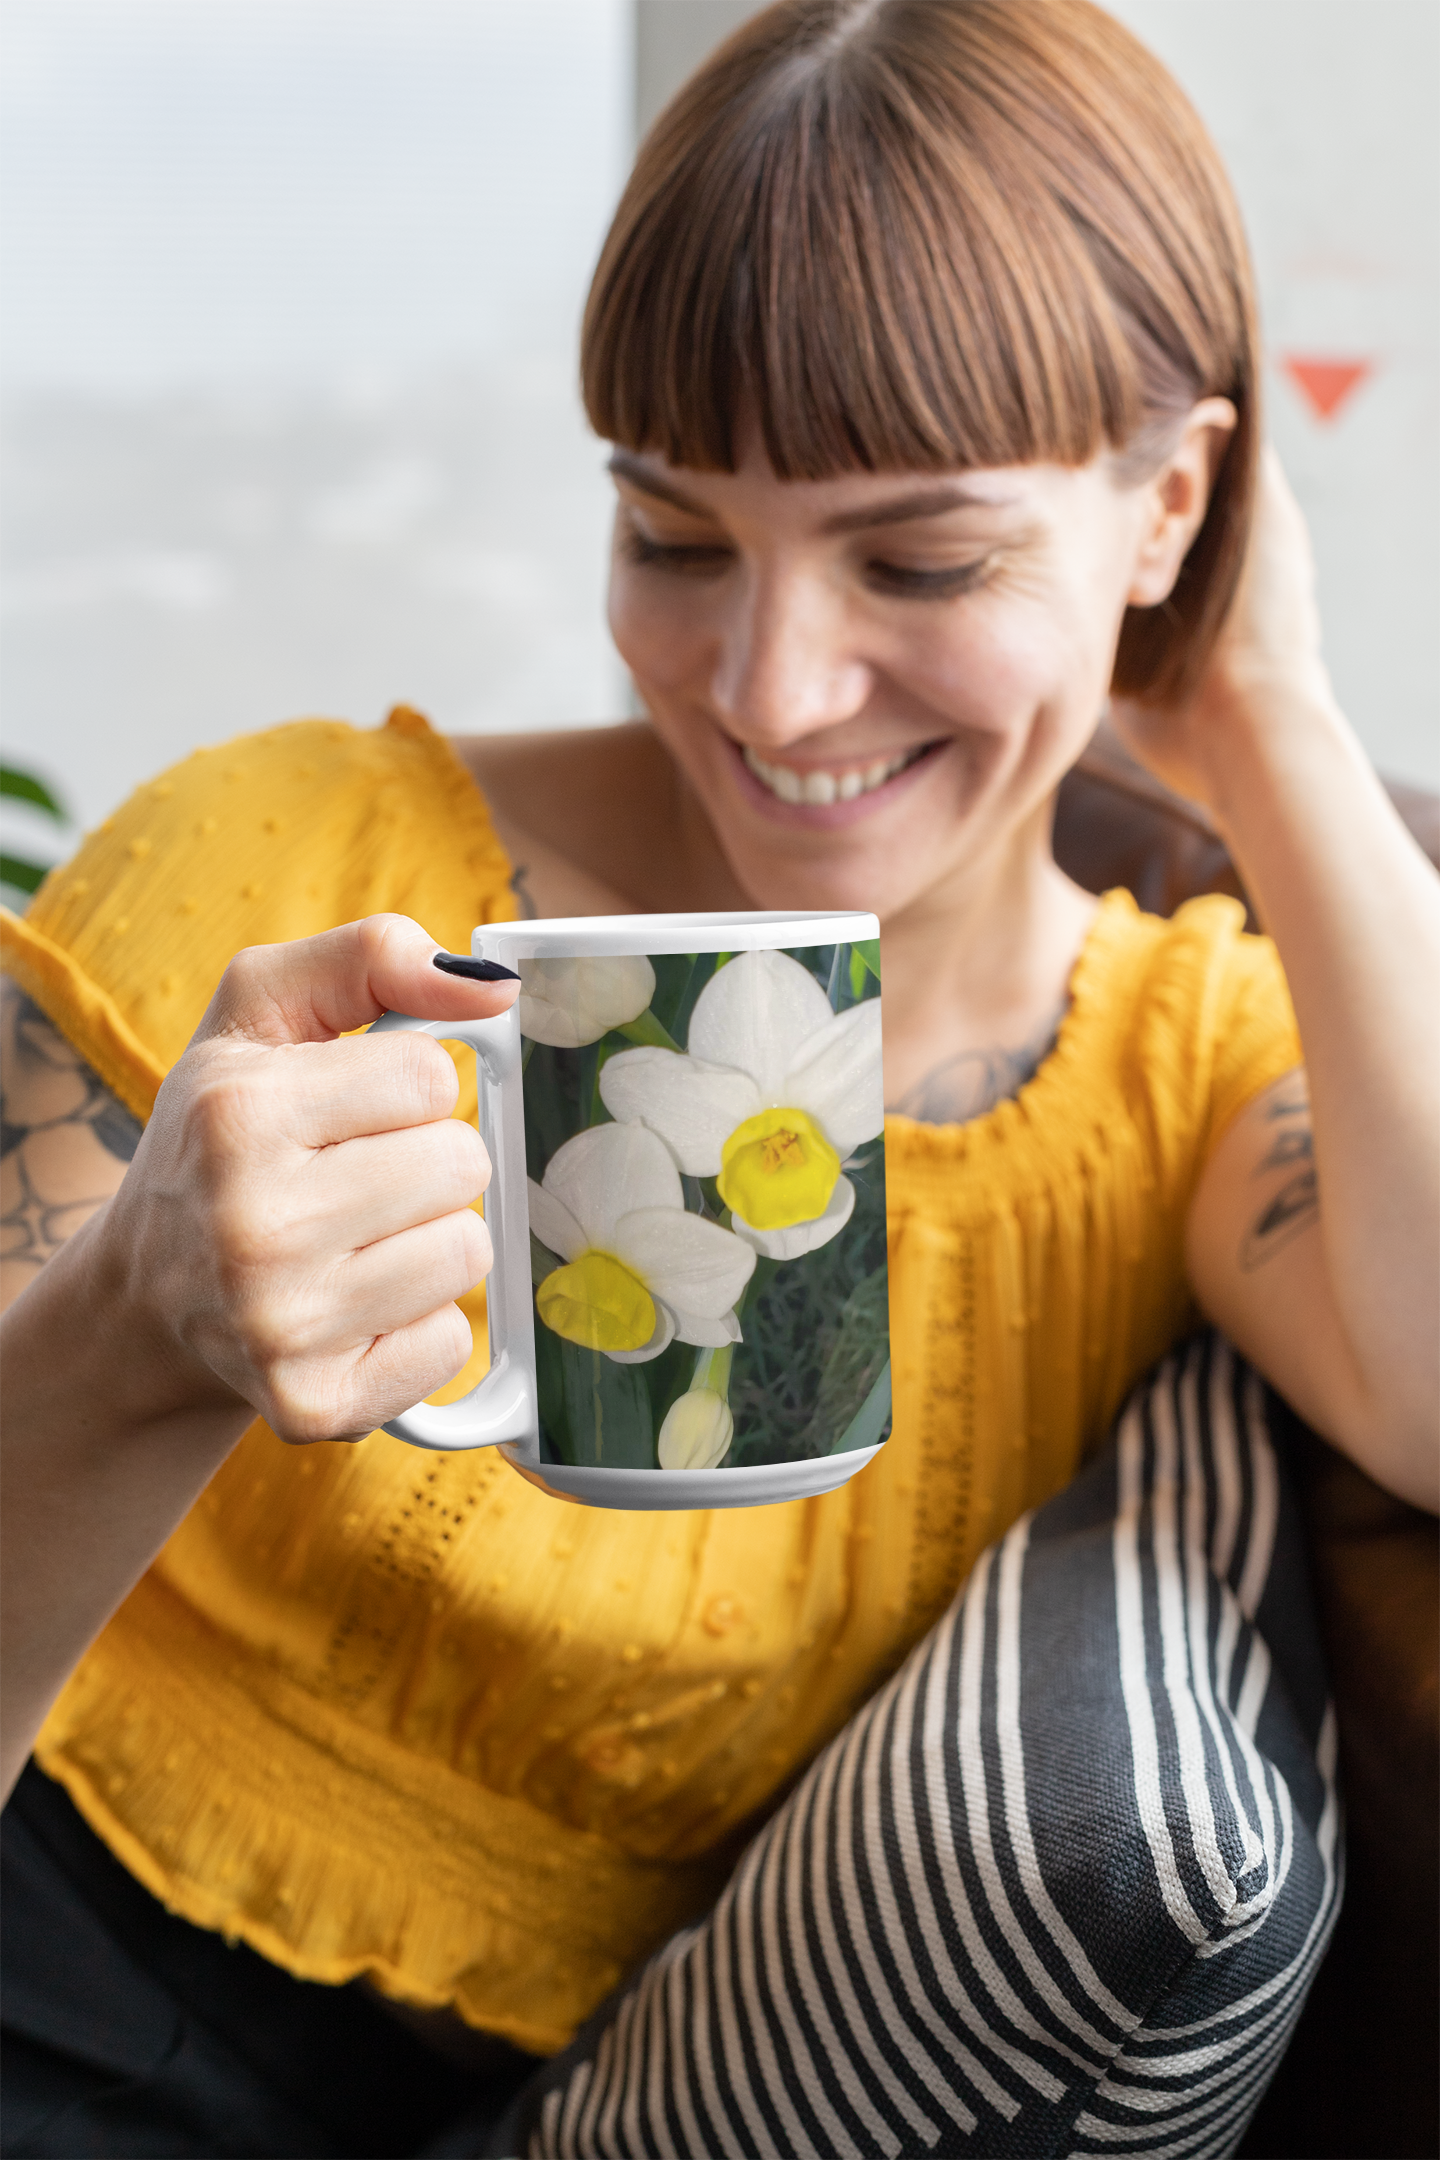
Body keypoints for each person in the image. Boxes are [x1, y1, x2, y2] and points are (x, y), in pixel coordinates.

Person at [1, 0, 1435, 2153]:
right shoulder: (287, 862)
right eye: (674, 538)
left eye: (922, 560)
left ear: (1174, 510)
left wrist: (1274, 719)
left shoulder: (1178, 1071)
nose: (767, 688)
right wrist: (129, 1335)